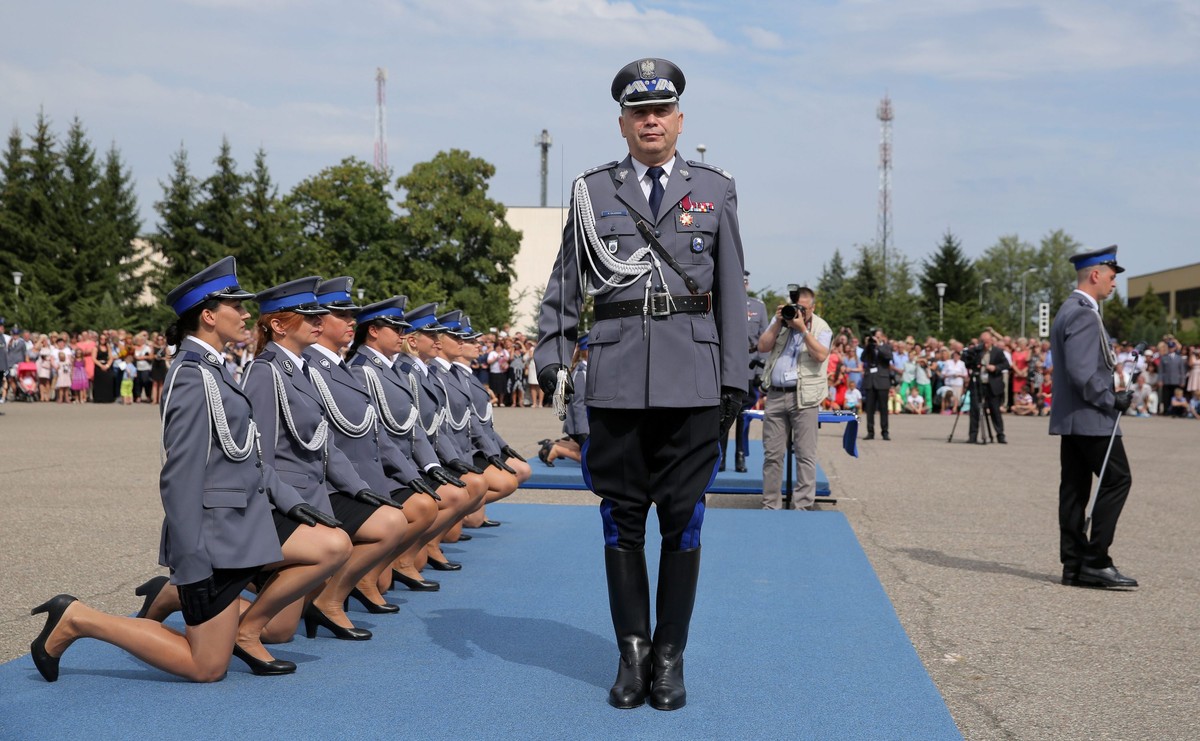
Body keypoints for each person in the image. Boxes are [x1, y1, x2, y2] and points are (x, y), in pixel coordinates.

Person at [534, 58, 748, 711]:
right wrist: (553, 349)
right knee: (621, 519)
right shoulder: (591, 192)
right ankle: (633, 653)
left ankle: (670, 657)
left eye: (661, 111)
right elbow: (567, 280)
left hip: (693, 380)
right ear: (623, 123)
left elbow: (730, 291)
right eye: (638, 113)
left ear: (679, 120)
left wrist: (734, 378)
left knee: (683, 520)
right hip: (617, 380)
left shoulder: (715, 189)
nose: (650, 121)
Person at [28, 257, 305, 683]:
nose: (246, 314)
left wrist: (289, 499)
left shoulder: (213, 368)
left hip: (235, 533)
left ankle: (155, 600)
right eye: (236, 306)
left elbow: (243, 452)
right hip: (212, 541)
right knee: (206, 667)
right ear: (208, 316)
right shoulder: (192, 375)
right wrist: (190, 558)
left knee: (237, 646)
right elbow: (179, 475)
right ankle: (78, 618)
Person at [1051, 246, 1138, 589]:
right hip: (1091, 416)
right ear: (1096, 275)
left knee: (1074, 490)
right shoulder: (1085, 314)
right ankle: (1096, 560)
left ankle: (1073, 563)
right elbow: (1082, 373)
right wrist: (1112, 399)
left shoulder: (1069, 310)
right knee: (1118, 479)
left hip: (1074, 417)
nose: (1115, 283)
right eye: (1112, 277)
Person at [757, 286, 831, 511]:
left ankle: (802, 507)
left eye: (804, 308)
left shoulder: (821, 327)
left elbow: (821, 355)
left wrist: (803, 330)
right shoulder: (781, 322)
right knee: (772, 455)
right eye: (797, 307)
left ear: (813, 308)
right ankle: (770, 505)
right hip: (776, 395)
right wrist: (778, 322)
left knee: (805, 455)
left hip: (804, 398)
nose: (800, 311)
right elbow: (762, 347)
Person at [721, 270, 768, 472]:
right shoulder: (724, 304)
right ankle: (721, 458)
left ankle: (740, 456)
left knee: (743, 416)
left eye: (745, 282)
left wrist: (760, 372)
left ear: (747, 284)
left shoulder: (758, 307)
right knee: (723, 413)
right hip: (729, 365)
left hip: (749, 367)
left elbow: (765, 339)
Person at [540, 335, 589, 467]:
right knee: (595, 461)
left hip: (581, 424)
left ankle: (557, 444)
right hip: (580, 425)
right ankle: (556, 449)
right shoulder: (582, 372)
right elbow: (579, 404)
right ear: (588, 351)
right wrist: (584, 431)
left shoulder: (585, 369)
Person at [968, 330, 1010, 444]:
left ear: (991, 341)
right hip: (978, 384)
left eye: (986, 342)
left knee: (995, 410)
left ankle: (1000, 435)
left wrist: (995, 368)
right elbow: (967, 361)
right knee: (975, 410)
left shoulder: (998, 352)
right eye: (982, 342)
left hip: (992, 384)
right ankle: (973, 436)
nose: (984, 344)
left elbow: (1006, 364)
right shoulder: (977, 351)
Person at [860, 328, 893, 440]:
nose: (876, 339)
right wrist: (868, 346)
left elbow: (888, 357)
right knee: (870, 409)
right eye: (875, 337)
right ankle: (870, 432)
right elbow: (863, 358)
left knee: (883, 408)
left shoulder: (886, 347)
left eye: (878, 337)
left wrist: (879, 346)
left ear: (882, 337)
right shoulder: (870, 347)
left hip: (882, 380)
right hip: (870, 380)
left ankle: (885, 431)